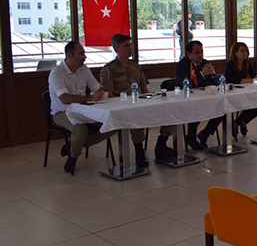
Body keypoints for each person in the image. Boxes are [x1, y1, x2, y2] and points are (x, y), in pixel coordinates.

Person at [100, 34, 174, 167]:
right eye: (126, 46)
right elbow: (108, 94)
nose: (130, 48)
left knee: (169, 111)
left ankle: (161, 144)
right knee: (136, 117)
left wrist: (153, 100)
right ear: (117, 49)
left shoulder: (135, 66)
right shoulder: (109, 69)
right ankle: (139, 151)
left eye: (130, 45)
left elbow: (144, 88)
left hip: (139, 102)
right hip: (121, 106)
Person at [48, 41, 115, 173]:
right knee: (80, 130)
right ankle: (72, 158)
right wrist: (90, 97)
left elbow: (96, 88)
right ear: (69, 55)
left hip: (84, 109)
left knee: (112, 123)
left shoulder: (84, 69)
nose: (84, 57)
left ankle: (73, 145)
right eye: (81, 53)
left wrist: (101, 93)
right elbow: (65, 99)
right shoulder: (57, 73)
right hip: (62, 112)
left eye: (84, 53)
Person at [175, 40, 223, 149]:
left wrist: (212, 75)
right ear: (189, 54)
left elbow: (216, 83)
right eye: (197, 52)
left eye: (202, 51)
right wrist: (201, 74)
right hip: (186, 99)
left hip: (204, 97)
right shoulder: (181, 66)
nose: (200, 55)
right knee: (197, 108)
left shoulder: (205, 63)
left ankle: (205, 133)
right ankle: (190, 138)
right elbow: (187, 85)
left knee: (222, 108)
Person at [224, 42, 257, 140]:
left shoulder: (247, 63)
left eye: (246, 51)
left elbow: (254, 75)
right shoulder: (230, 64)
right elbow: (238, 81)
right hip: (231, 92)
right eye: (242, 51)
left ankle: (240, 122)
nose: (245, 53)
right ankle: (239, 122)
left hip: (243, 91)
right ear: (235, 53)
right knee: (250, 105)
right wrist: (253, 80)